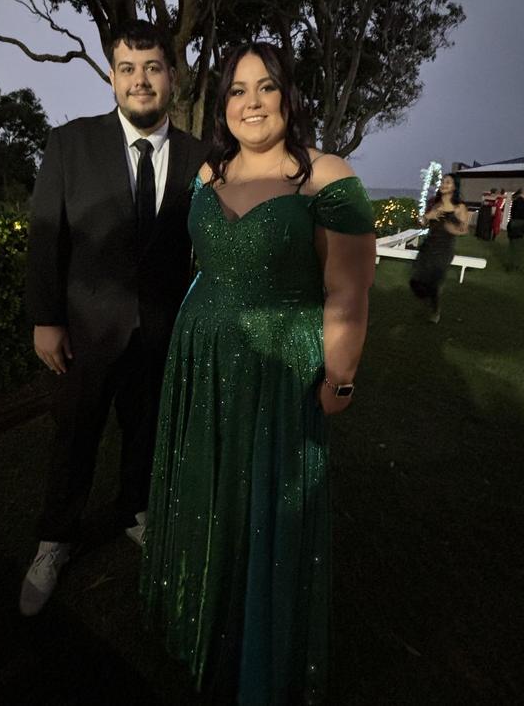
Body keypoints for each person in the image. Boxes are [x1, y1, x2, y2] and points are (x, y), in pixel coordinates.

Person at [140, 42, 376, 704]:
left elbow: (350, 290)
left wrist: (341, 375)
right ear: (223, 104)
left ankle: (254, 647)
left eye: (265, 86)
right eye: (237, 89)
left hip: (279, 370)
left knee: (266, 507)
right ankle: (200, 620)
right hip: (201, 359)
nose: (250, 101)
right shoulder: (209, 172)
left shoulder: (328, 175)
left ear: (288, 96)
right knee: (208, 489)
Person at [20, 20, 207, 616]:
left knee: (147, 432)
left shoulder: (203, 158)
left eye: (152, 68)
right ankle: (55, 540)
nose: (140, 80)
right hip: (85, 330)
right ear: (112, 77)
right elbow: (46, 235)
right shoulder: (70, 143)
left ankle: (136, 513)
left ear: (171, 77)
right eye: (128, 68)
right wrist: (46, 318)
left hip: (161, 328)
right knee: (74, 438)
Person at [409, 173, 469, 323]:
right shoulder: (434, 204)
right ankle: (428, 303)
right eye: (443, 181)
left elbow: (464, 229)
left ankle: (435, 311)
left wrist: (453, 230)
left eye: (448, 182)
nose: (444, 184)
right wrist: (427, 217)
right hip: (428, 246)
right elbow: (421, 223)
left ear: (455, 186)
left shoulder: (459, 207)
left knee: (434, 282)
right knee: (415, 281)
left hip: (444, 248)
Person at [506, 187, 524, 270]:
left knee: (513, 247)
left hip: (512, 224)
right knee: (519, 247)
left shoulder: (515, 201)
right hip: (520, 226)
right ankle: (516, 265)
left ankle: (511, 264)